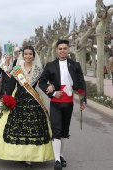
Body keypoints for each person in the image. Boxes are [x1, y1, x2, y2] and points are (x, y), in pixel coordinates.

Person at [0, 46, 54, 167]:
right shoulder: (17, 69)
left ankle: (30, 157)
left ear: (33, 56)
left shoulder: (38, 69)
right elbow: (11, 86)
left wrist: (51, 87)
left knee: (33, 127)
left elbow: (42, 84)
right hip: (19, 99)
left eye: (30, 54)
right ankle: (18, 154)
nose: (28, 56)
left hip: (33, 100)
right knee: (16, 126)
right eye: (26, 54)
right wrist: (7, 99)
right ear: (23, 55)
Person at [39, 39, 86, 170]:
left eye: (65, 48)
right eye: (60, 49)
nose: (62, 51)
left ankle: (61, 154)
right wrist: (52, 93)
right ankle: (57, 160)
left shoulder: (75, 65)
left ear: (68, 49)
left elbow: (81, 83)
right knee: (56, 130)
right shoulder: (50, 65)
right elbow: (42, 82)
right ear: (56, 50)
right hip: (55, 103)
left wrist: (83, 100)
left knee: (65, 131)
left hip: (68, 103)